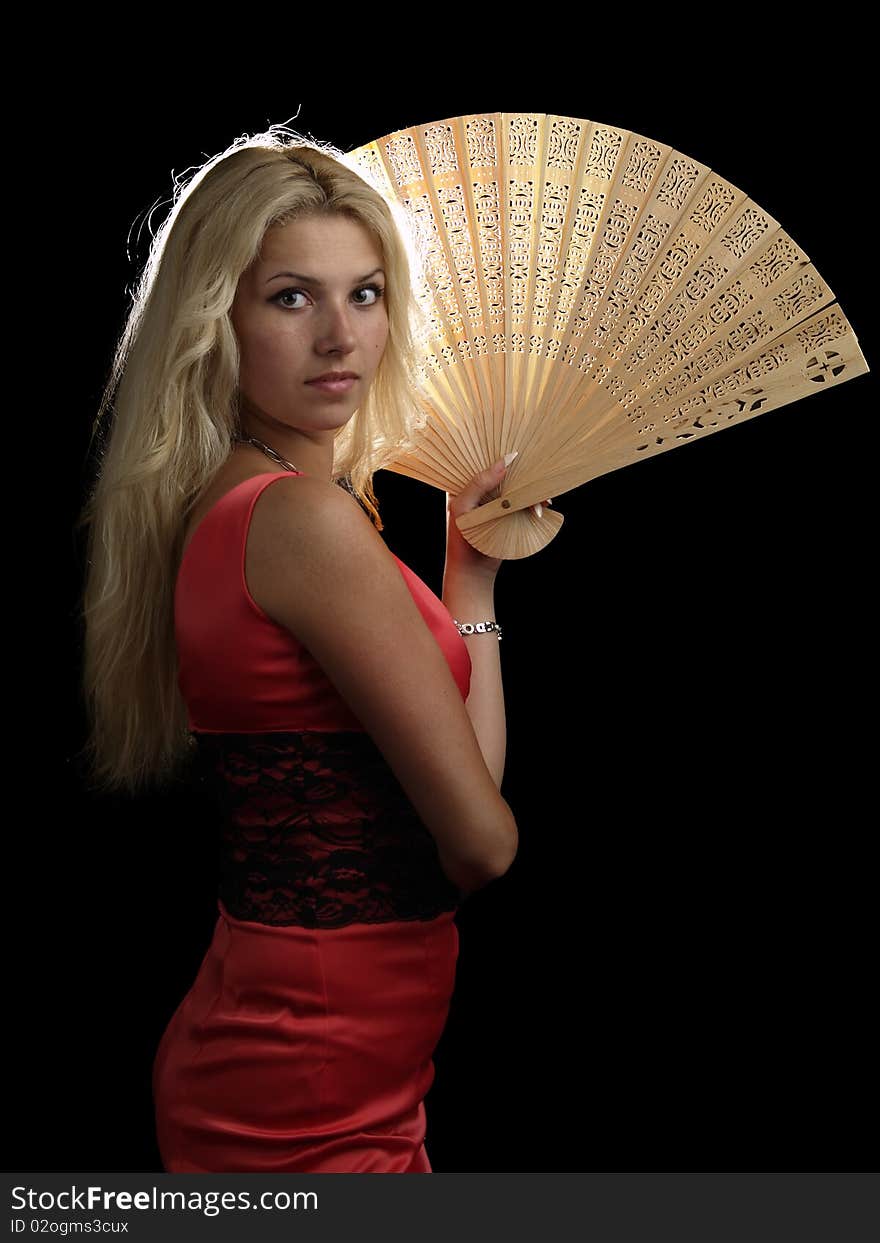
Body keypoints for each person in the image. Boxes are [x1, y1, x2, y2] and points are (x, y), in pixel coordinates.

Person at [76, 126, 521, 1174]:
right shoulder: (300, 521)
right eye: (291, 297)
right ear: (214, 320)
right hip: (308, 1078)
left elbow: (458, 790)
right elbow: (483, 845)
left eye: (364, 293)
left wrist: (472, 579)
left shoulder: (243, 498)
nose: (340, 336)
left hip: (331, 1053)